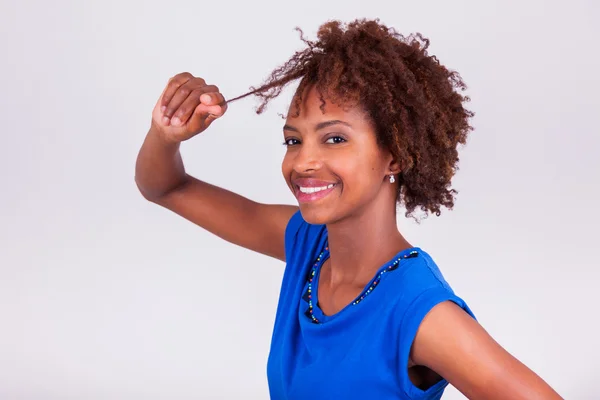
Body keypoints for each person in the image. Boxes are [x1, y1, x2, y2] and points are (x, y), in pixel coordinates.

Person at [135, 18, 562, 400]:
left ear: (395, 155)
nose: (302, 162)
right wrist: (165, 133)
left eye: (334, 138)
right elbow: (165, 187)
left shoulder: (421, 314)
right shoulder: (307, 244)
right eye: (293, 139)